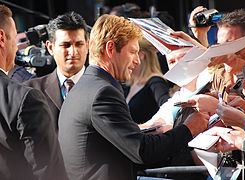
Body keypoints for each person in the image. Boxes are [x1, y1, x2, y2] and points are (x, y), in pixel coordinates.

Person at [58, 14, 209, 180]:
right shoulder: (102, 93)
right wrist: (190, 128)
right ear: (110, 49)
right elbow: (142, 151)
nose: (137, 61)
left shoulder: (86, 87)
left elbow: (108, 141)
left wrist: (143, 129)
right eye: (133, 52)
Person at [0, 4, 67, 180]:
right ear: (1, 38)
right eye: (14, 38)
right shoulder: (25, 99)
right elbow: (49, 173)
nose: (17, 48)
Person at [24, 11, 89, 130]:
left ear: (88, 45)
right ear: (50, 48)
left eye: (79, 44)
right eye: (66, 45)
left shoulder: (105, 88)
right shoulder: (31, 91)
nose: (73, 52)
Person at [125, 38, 170, 124]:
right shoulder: (130, 83)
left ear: (141, 55)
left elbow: (168, 108)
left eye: (129, 52)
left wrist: (147, 126)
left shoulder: (155, 82)